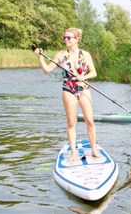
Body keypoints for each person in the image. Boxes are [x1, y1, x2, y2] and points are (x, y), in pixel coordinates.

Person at [34, 28, 100, 162]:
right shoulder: (60, 55)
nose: (66, 40)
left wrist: (83, 76)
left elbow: (94, 73)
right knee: (71, 122)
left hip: (83, 86)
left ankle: (93, 149)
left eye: (69, 38)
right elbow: (47, 70)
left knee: (89, 120)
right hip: (68, 87)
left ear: (76, 39)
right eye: (64, 38)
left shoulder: (85, 54)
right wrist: (40, 57)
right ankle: (73, 153)